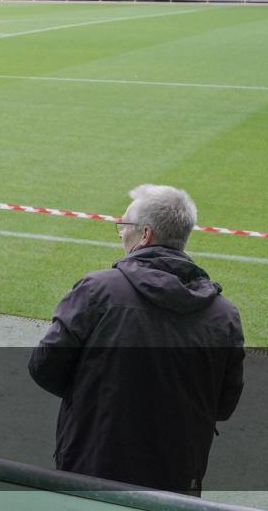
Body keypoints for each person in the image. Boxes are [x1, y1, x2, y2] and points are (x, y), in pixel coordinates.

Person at [28, 184, 244, 495]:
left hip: (94, 466)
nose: (119, 234)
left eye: (124, 226)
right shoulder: (224, 316)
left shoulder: (96, 291)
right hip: (178, 477)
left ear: (144, 235)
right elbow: (223, 405)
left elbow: (44, 367)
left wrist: (96, 396)